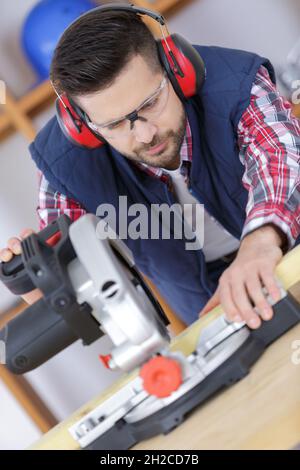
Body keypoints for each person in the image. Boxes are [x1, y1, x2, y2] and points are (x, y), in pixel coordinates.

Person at [1, 5, 299, 329]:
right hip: (204, 303)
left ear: (176, 70)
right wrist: (41, 279)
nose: (144, 135)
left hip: (284, 247)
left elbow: (282, 159)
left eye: (150, 104)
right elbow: (76, 278)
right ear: (82, 126)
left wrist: (260, 242)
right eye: (115, 124)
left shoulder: (237, 82)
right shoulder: (63, 164)